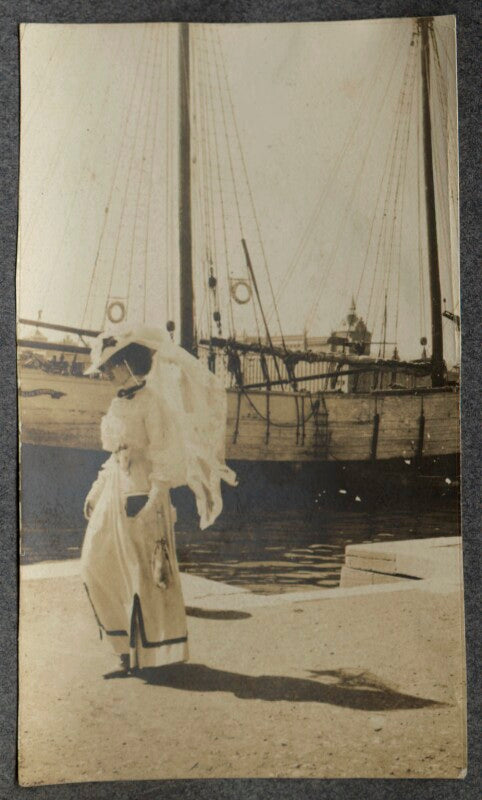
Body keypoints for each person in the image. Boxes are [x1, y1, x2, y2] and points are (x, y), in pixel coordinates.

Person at [81, 324, 236, 675]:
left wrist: (155, 497)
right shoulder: (117, 403)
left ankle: (151, 655)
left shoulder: (154, 404)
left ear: (126, 365)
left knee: (146, 576)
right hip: (115, 491)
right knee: (94, 563)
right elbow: (114, 455)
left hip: (144, 493)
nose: (105, 373)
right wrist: (96, 489)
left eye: (109, 366)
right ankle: (123, 646)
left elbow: (165, 455)